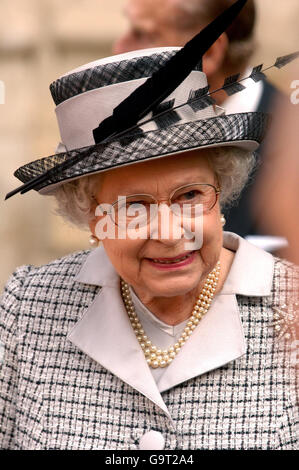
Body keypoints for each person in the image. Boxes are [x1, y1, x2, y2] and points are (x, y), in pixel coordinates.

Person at [0, 3, 298, 450]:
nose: (169, 231)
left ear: (223, 189)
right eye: (131, 206)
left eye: (190, 196)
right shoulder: (26, 309)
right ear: (92, 216)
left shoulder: (292, 312)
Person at [114, 0, 287, 248]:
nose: (119, 48)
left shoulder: (291, 147)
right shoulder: (132, 133)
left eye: (143, 34)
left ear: (208, 52)